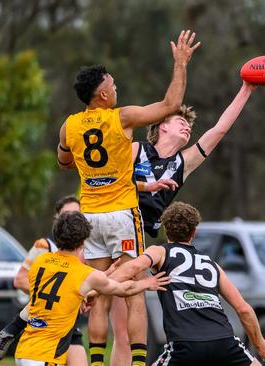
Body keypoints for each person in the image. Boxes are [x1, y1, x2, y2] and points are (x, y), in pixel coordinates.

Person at [56, 30, 200, 366]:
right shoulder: (120, 118)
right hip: (122, 213)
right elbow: (171, 105)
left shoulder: (69, 126)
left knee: (101, 291)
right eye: (114, 85)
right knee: (134, 290)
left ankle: (95, 363)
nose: (117, 88)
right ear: (103, 94)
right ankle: (137, 363)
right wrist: (180, 64)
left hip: (89, 216)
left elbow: (63, 162)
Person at [109, 202, 265, 366]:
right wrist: (261, 345)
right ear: (194, 232)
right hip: (224, 343)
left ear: (166, 229)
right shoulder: (212, 265)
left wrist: (100, 287)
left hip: (184, 345)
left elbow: (132, 267)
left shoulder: (159, 252)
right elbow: (243, 309)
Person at [14, 211, 170, 366]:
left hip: (24, 349)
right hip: (46, 356)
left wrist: (100, 278)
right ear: (83, 241)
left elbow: (64, 287)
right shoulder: (84, 274)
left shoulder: (41, 261)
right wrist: (146, 282)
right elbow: (124, 289)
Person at [133, 81, 260, 238]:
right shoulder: (137, 149)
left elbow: (219, 130)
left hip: (138, 232)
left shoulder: (183, 162)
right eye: (181, 122)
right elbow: (111, 180)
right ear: (162, 126)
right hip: (115, 216)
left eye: (189, 127)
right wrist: (147, 186)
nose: (187, 128)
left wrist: (246, 89)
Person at [0, 196, 93, 366]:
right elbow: (20, 280)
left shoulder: (83, 248)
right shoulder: (44, 246)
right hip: (45, 323)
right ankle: (12, 329)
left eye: (77, 213)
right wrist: (57, 297)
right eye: (66, 213)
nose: (71, 217)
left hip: (67, 322)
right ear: (56, 218)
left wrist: (78, 296)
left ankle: (12, 329)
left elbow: (85, 283)